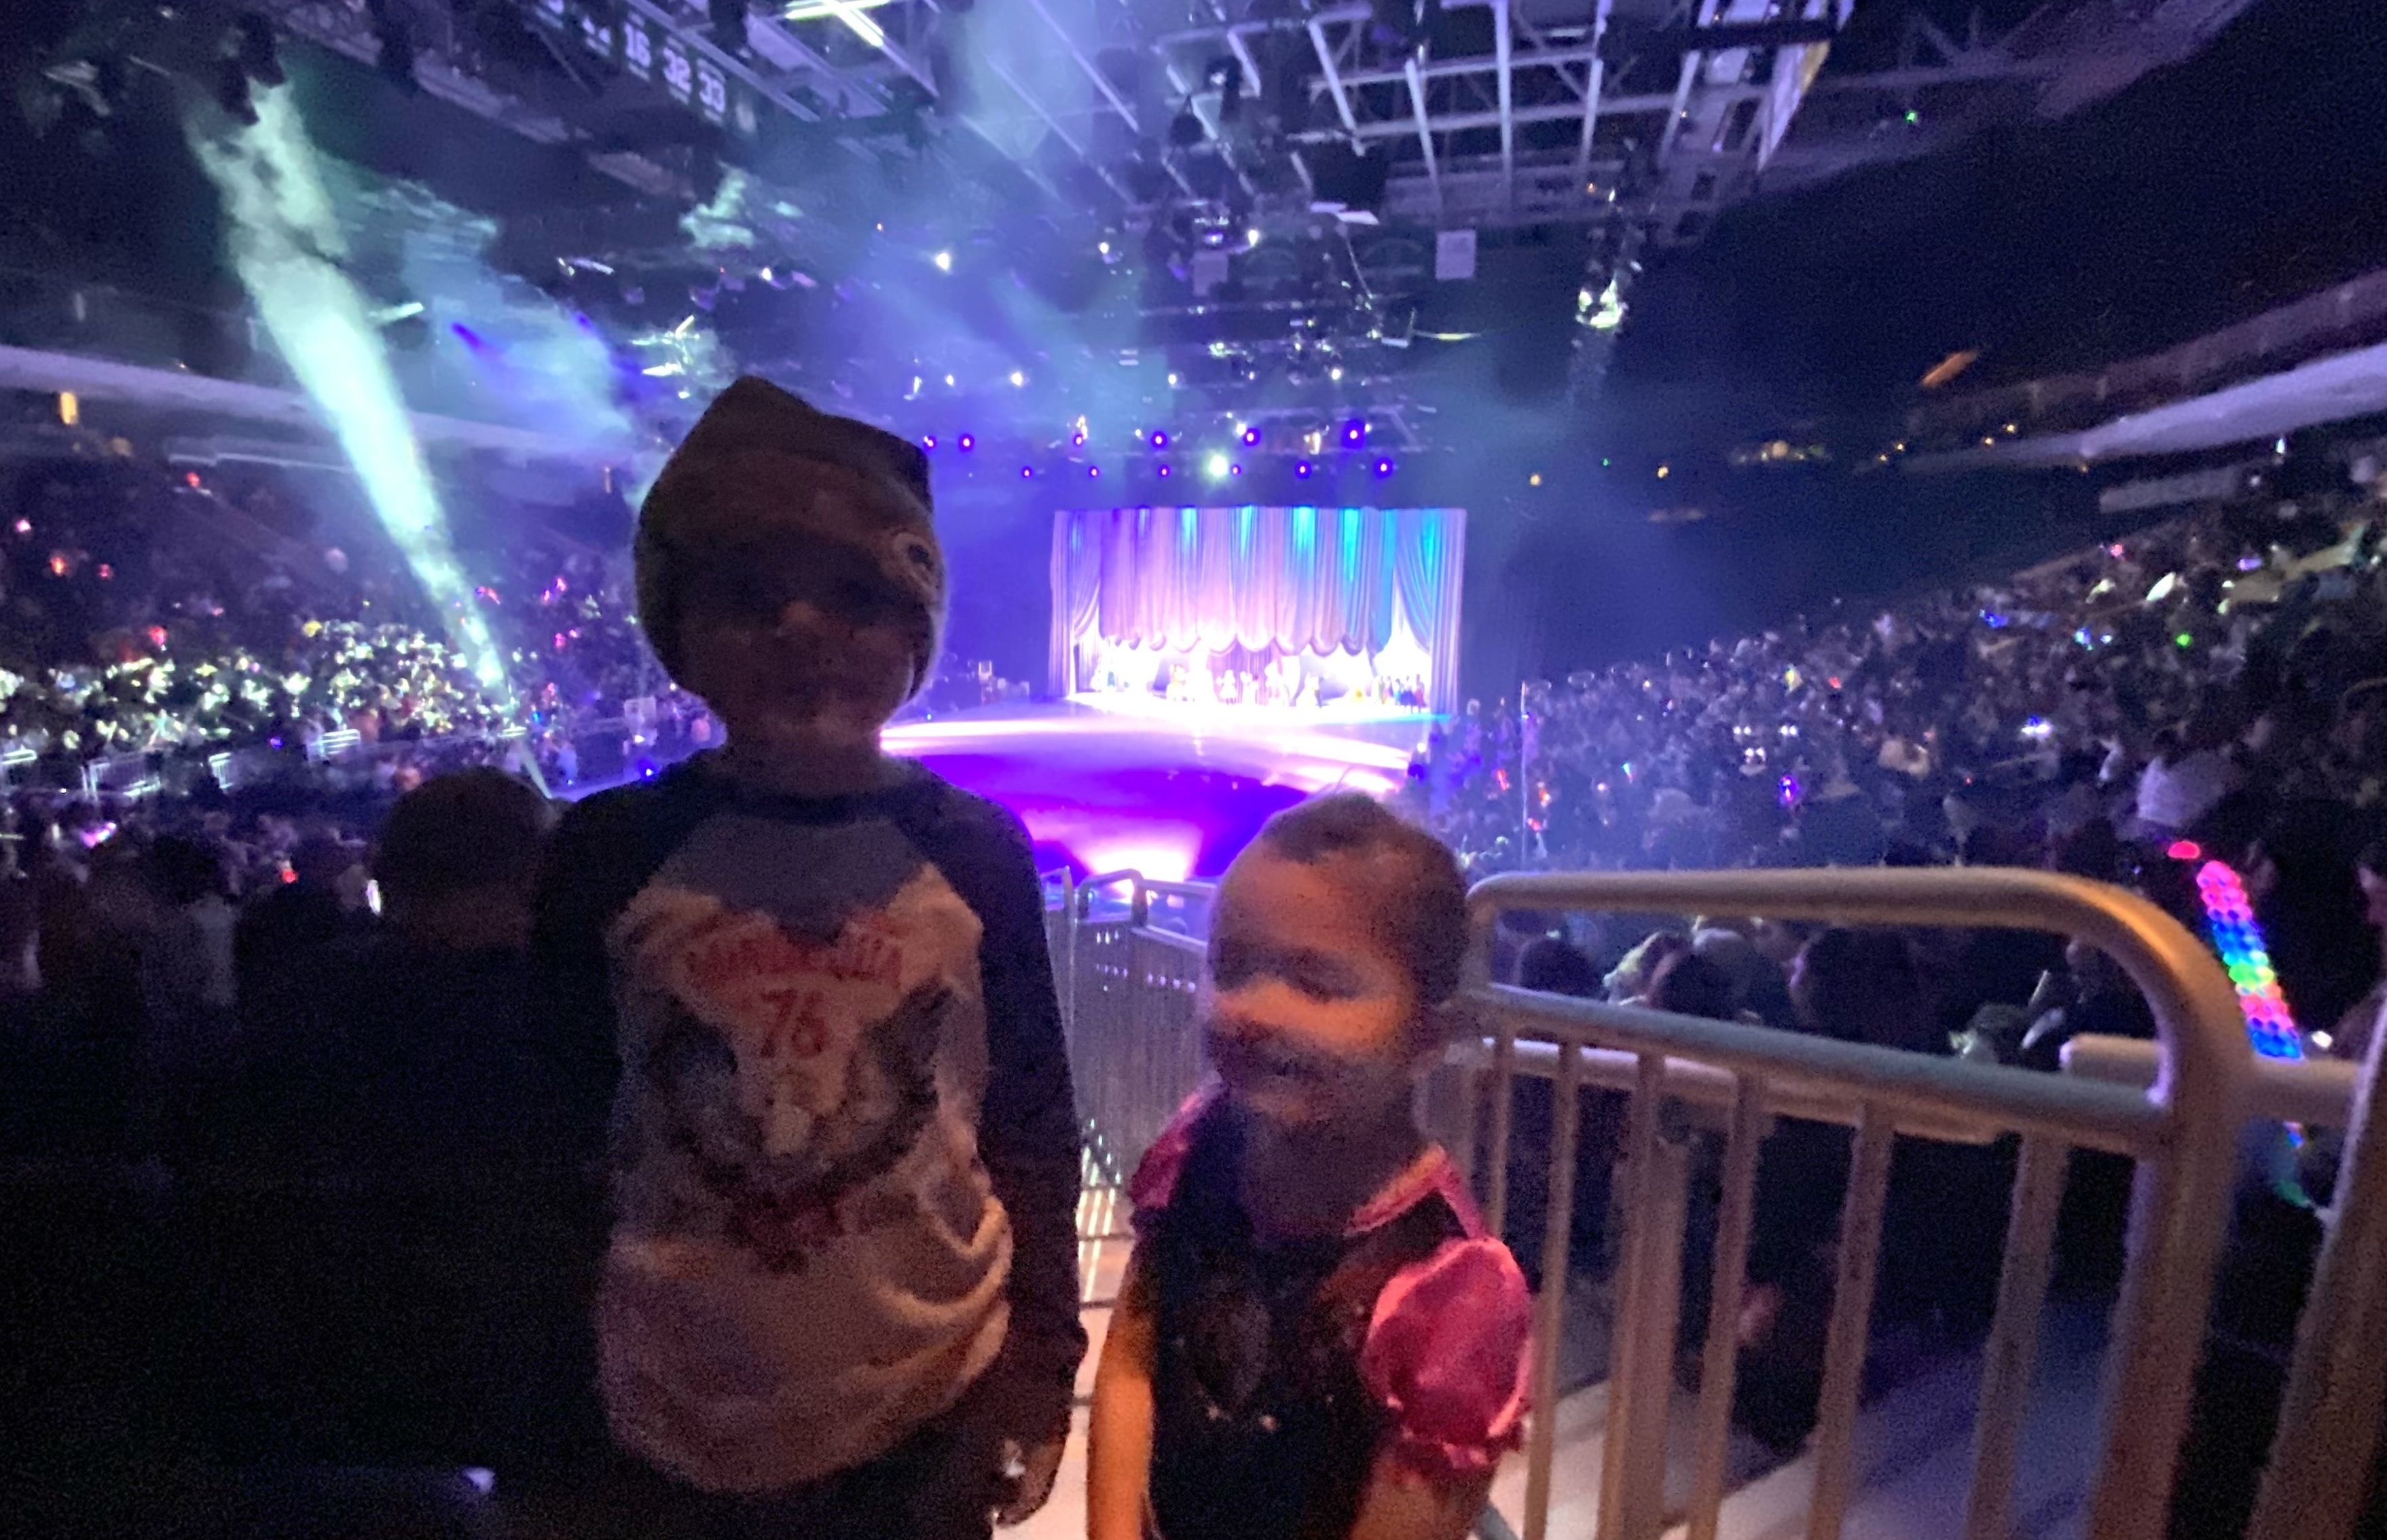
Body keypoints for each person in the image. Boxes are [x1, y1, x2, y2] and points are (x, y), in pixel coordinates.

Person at [526, 377, 1083, 1539]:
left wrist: (1038, 1366)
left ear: (916, 629)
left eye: (855, 596)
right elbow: (550, 1135)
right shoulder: (612, 852)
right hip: (665, 1417)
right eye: (748, 594)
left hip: (928, 1408)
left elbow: (1028, 1123)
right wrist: (550, 1400)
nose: (801, 628)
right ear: (680, 626)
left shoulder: (975, 853)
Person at [1089, 794, 1532, 1540]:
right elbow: (1133, 1363)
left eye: (1317, 984)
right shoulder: (1200, 1145)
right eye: (1232, 968)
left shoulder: (1447, 1287)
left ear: (1430, 1036)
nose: (1256, 1011)